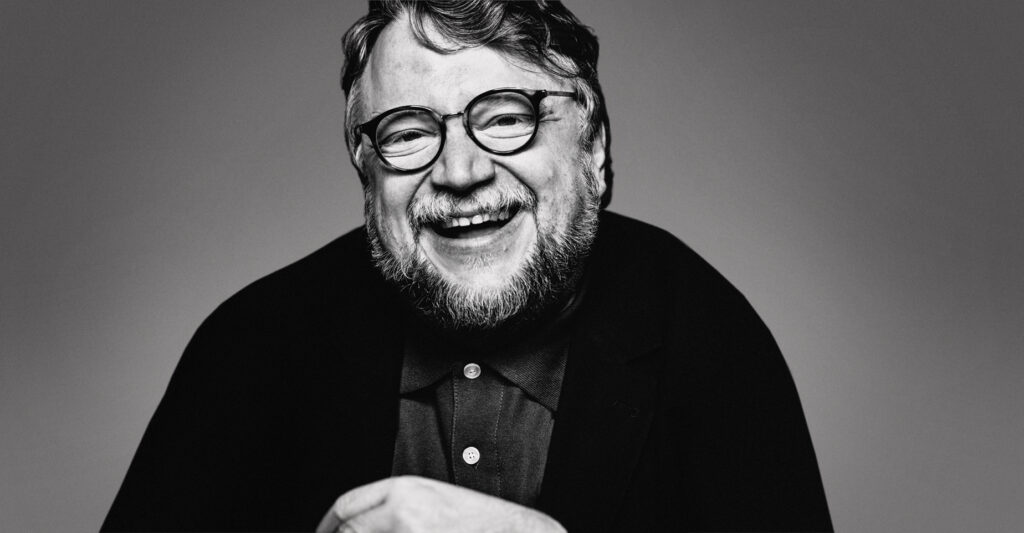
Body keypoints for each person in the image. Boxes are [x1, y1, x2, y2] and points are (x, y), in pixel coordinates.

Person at [103, 1, 833, 531]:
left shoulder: (708, 334)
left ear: (594, 147)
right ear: (366, 173)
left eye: (508, 116)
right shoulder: (250, 344)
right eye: (408, 132)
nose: (460, 172)